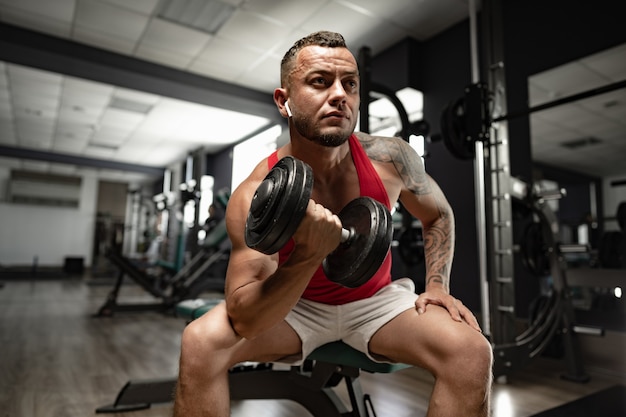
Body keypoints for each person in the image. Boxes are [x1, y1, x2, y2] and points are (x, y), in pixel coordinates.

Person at [173, 31, 492, 417]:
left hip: (376, 304)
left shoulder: (391, 159)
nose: (340, 94)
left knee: (471, 351)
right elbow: (245, 316)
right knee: (200, 341)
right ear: (283, 101)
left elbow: (437, 213)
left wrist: (438, 284)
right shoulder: (255, 193)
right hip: (295, 308)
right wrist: (308, 255)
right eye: (320, 82)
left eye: (350, 84)